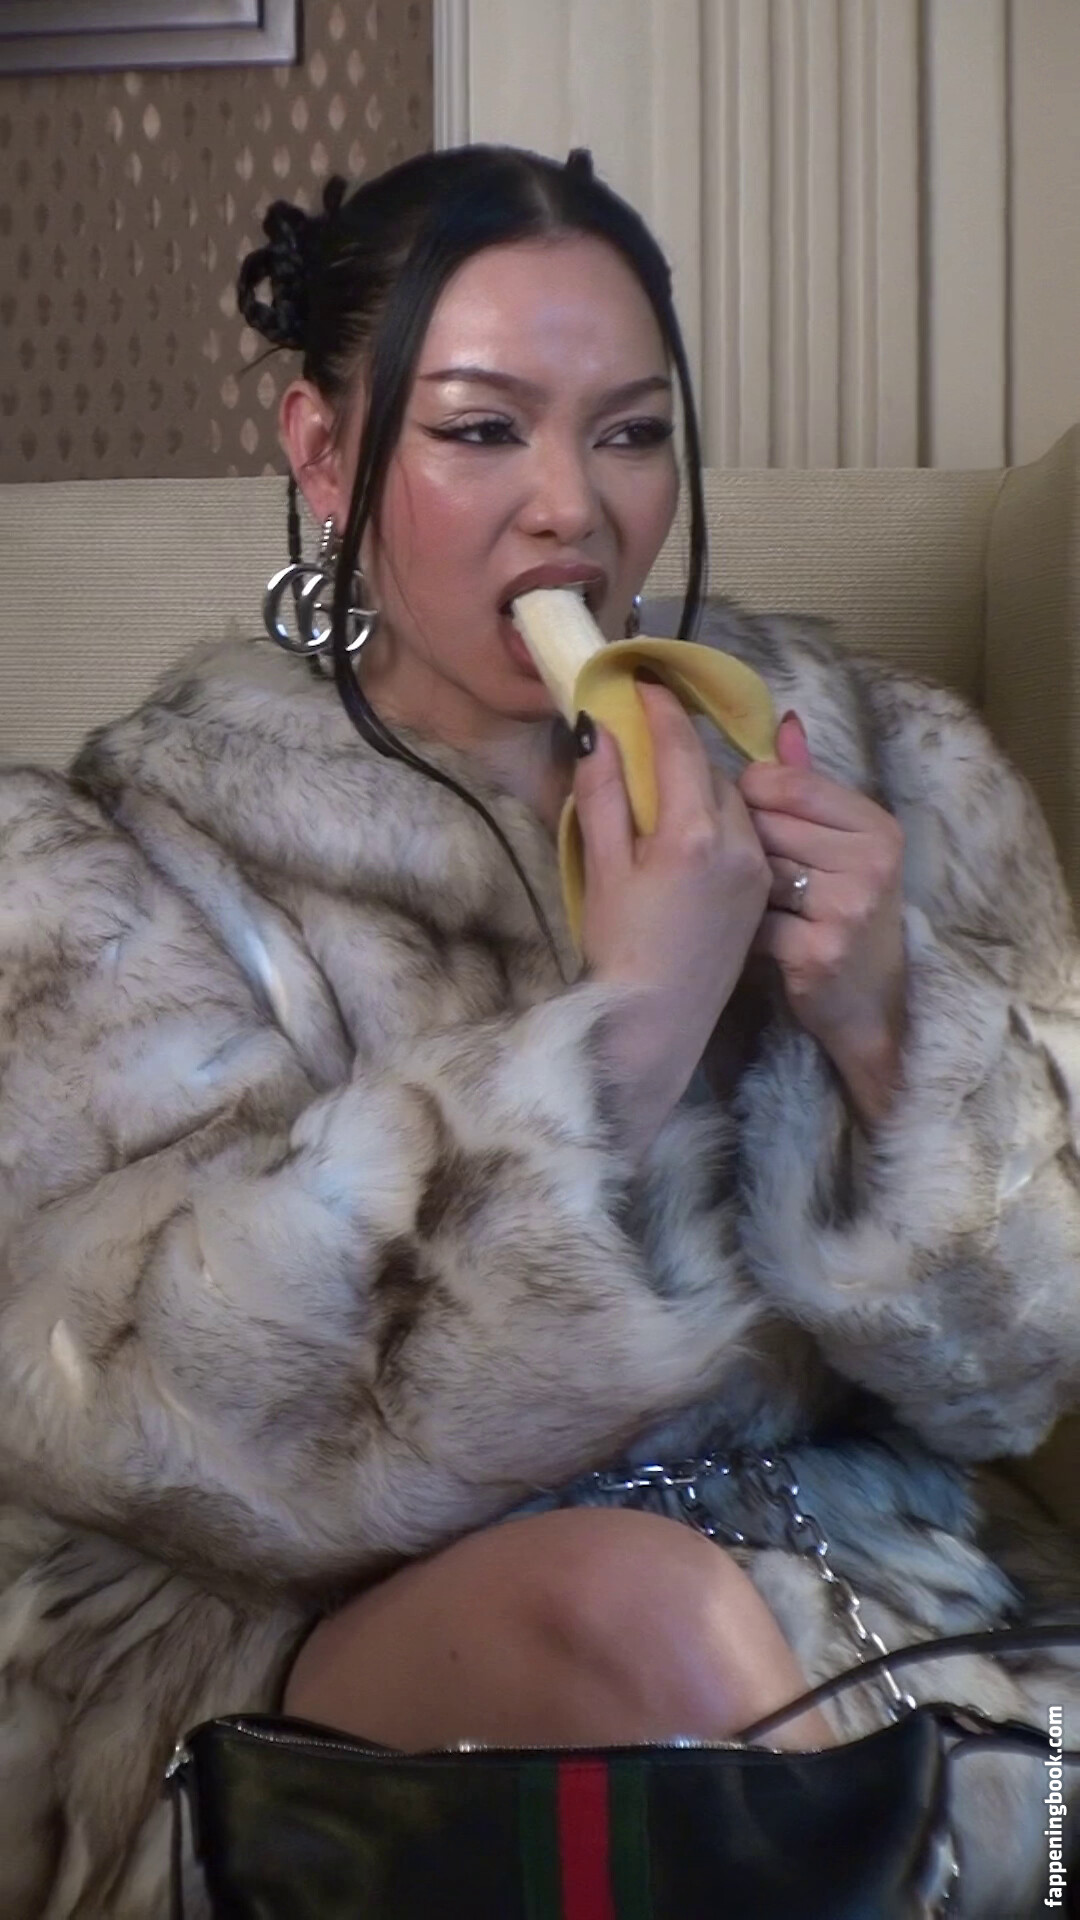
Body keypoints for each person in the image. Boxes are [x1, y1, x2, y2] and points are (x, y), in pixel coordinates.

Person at [0, 143, 1077, 1919]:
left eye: (631, 433)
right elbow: (152, 1423)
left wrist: (891, 1026)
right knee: (632, 1617)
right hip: (315, 1649)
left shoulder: (890, 766)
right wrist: (625, 1034)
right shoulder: (109, 866)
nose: (570, 507)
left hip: (863, 1582)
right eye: (482, 430)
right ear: (326, 455)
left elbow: (1027, 1373)